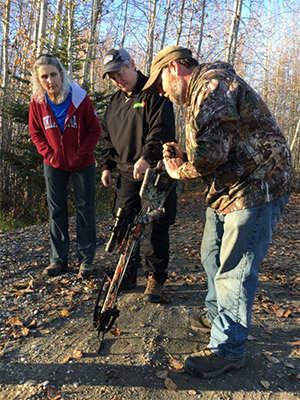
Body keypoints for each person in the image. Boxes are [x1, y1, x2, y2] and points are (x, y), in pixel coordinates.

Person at [143, 46, 294, 377]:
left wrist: (177, 170)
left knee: (234, 270)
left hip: (258, 184)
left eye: (160, 85)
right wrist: (184, 153)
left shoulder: (212, 84)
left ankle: (227, 348)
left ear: (173, 69)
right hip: (230, 186)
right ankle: (216, 315)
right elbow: (218, 142)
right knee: (211, 252)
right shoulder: (201, 91)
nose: (163, 93)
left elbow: (211, 155)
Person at [100, 48, 177, 303]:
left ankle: (155, 277)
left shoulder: (155, 93)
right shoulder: (114, 102)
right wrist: (107, 165)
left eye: (119, 72)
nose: (117, 80)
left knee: (154, 224)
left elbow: (161, 130)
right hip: (124, 173)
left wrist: (147, 156)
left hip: (153, 173)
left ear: (132, 65)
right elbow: (107, 137)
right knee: (123, 223)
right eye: (112, 77)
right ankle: (127, 272)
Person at [29, 54, 101, 279]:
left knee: (85, 209)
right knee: (57, 210)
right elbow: (35, 132)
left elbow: (94, 130)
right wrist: (48, 154)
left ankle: (86, 260)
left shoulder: (79, 98)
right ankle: (58, 260)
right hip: (53, 163)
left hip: (82, 163)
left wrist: (81, 154)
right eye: (44, 77)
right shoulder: (38, 102)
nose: (50, 80)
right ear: (38, 80)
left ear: (61, 74)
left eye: (53, 74)